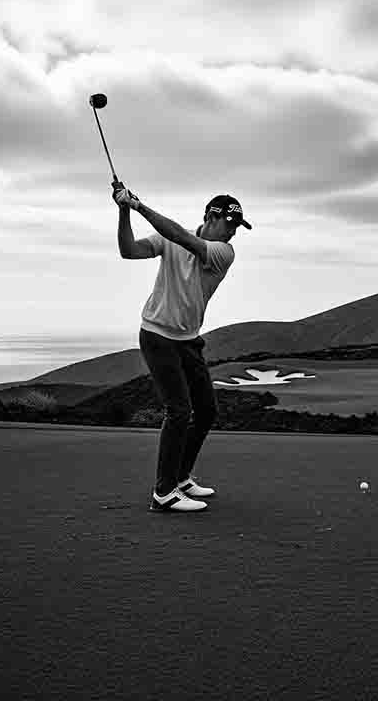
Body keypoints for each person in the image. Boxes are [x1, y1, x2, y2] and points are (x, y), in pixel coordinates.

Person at [114, 186, 252, 512]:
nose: (232, 232)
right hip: (157, 335)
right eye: (229, 224)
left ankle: (181, 477)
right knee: (179, 410)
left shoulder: (223, 252)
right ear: (210, 217)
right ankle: (164, 492)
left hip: (188, 339)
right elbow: (129, 251)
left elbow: (181, 237)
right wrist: (124, 212)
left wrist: (138, 205)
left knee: (206, 410)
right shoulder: (169, 239)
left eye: (236, 226)